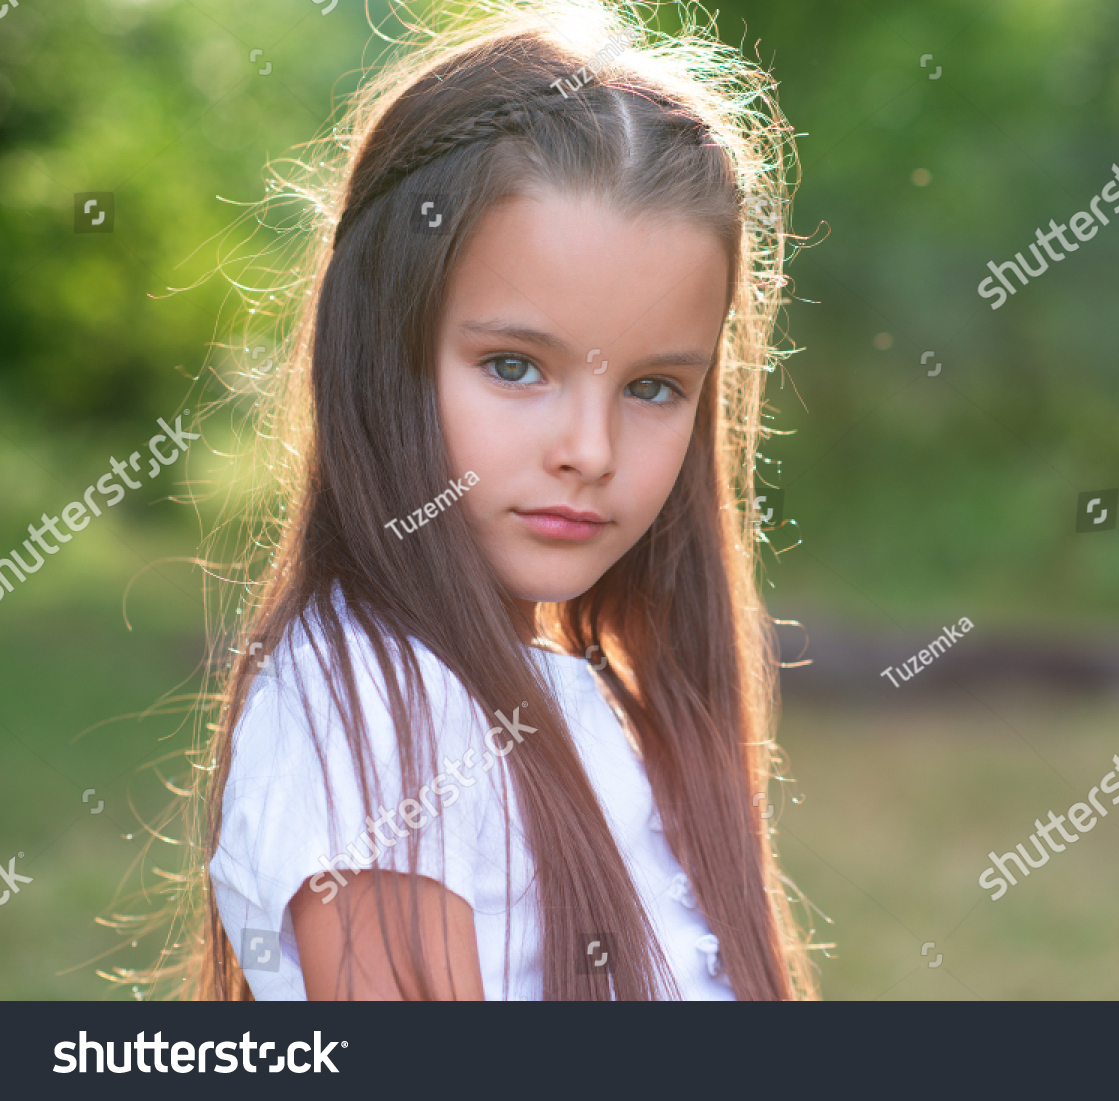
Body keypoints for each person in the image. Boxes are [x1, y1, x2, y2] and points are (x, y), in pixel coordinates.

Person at [178, 0, 813, 1000]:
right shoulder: (379, 707)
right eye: (515, 366)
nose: (588, 451)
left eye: (654, 387)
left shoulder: (578, 700)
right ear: (383, 351)